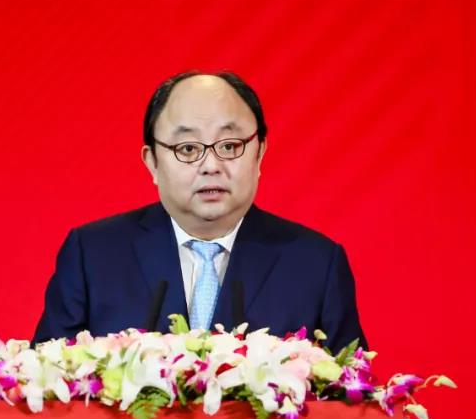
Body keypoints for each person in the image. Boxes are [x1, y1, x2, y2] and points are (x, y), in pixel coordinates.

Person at [33, 70, 368, 352]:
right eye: (188, 148)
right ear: (152, 162)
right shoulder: (93, 255)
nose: (211, 165)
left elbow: (352, 395)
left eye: (229, 146)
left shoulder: (315, 264)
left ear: (259, 153)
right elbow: (46, 388)